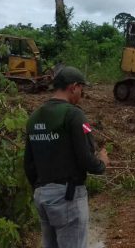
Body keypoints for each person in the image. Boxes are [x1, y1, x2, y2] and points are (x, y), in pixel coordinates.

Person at [24, 66, 110, 248]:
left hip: (42, 196)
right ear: (73, 87)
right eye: (81, 89)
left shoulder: (34, 117)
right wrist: (102, 163)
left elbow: (29, 165)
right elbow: (86, 158)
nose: (82, 94)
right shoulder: (74, 115)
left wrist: (41, 189)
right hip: (67, 197)